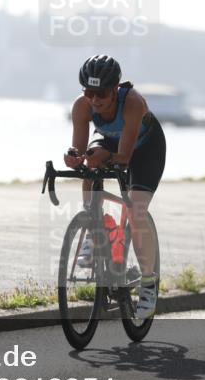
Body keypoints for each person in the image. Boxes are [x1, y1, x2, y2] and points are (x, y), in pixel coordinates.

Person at [64, 55, 167, 319]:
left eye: (100, 93)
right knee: (90, 163)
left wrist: (104, 157)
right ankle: (92, 224)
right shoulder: (82, 106)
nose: (95, 99)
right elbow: (81, 148)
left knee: (136, 212)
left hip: (144, 149)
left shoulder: (132, 103)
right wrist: (75, 157)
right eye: (89, 92)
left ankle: (148, 284)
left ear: (115, 89)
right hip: (110, 141)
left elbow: (125, 156)